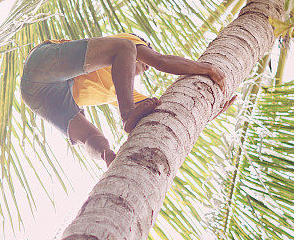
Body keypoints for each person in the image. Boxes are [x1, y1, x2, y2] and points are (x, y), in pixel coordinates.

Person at [20, 33, 226, 166]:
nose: (146, 65)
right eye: (146, 50)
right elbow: (160, 61)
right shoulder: (127, 42)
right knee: (126, 48)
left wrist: (209, 107)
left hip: (38, 95)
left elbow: (170, 109)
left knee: (96, 139)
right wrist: (206, 69)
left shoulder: (120, 92)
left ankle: (107, 157)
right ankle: (125, 115)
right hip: (42, 65)